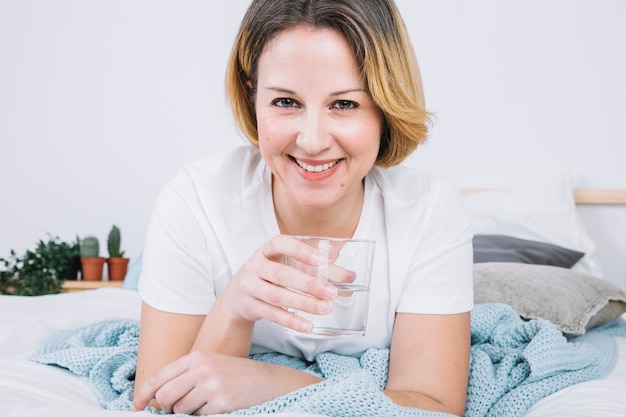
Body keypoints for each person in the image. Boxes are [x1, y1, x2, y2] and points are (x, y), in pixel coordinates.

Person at [132, 0, 473, 416]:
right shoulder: (195, 201)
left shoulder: (428, 209)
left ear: (385, 108)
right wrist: (233, 310)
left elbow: (434, 407)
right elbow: (154, 403)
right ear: (253, 98)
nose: (312, 141)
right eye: (285, 102)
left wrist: (275, 384)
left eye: (345, 104)